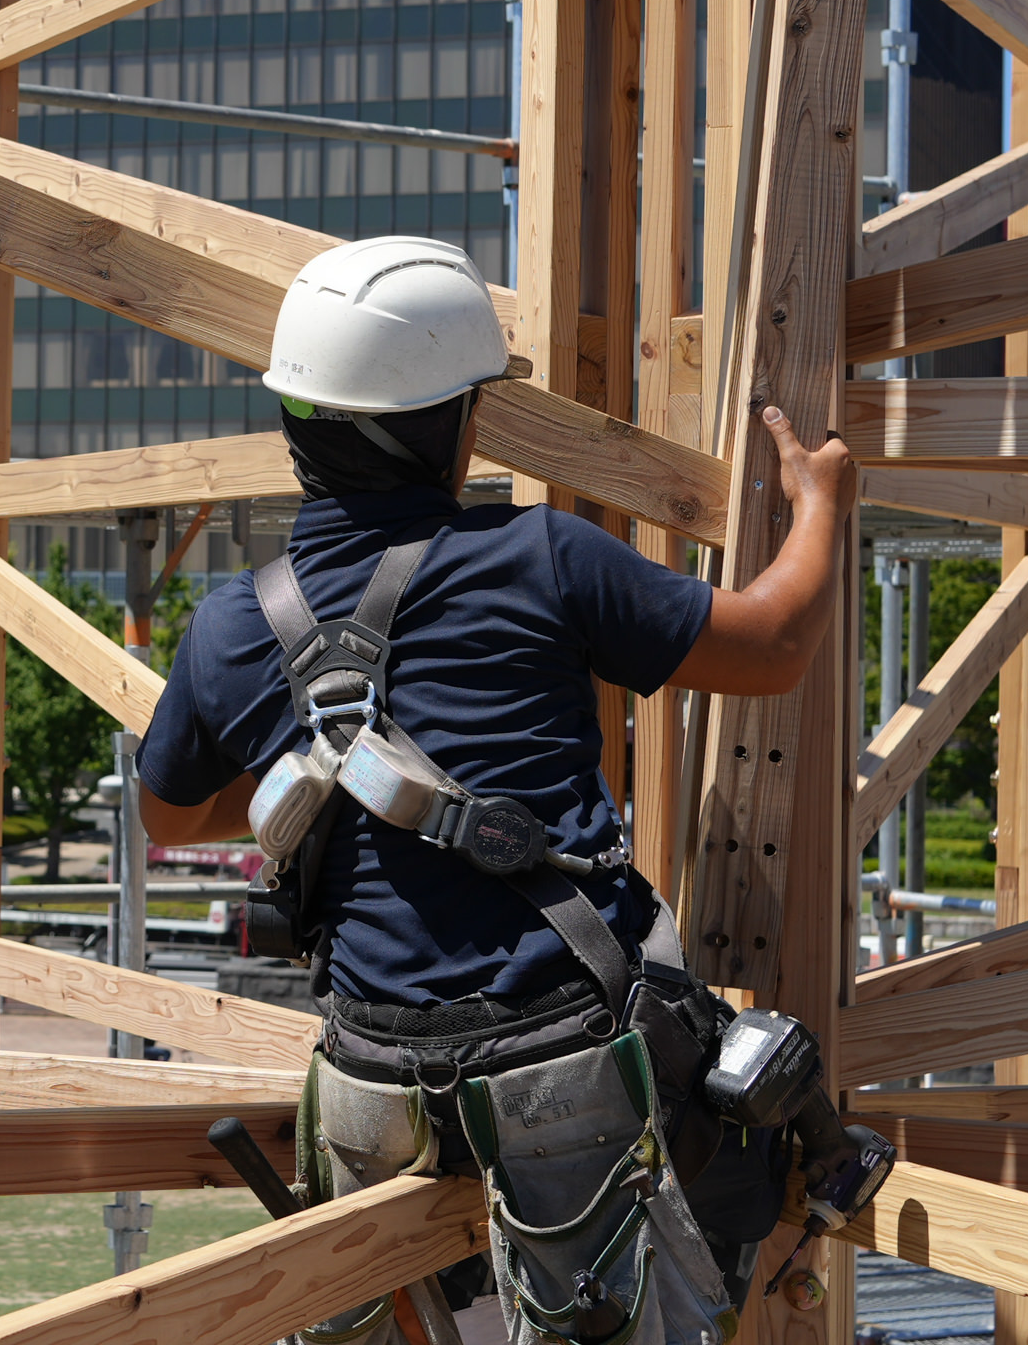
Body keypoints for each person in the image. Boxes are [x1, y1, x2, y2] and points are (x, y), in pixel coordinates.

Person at [136, 237, 872, 1345]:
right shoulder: (541, 556)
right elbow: (771, 642)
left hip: (371, 1079)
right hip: (563, 1067)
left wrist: (314, 755)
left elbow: (171, 814)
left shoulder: (236, 623)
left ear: (297, 419)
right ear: (448, 425)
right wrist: (822, 501)